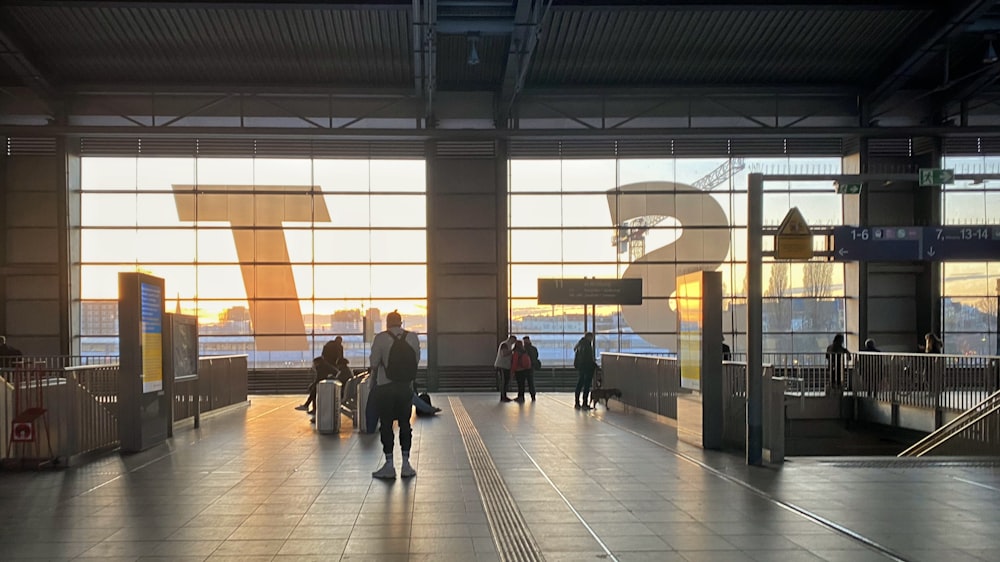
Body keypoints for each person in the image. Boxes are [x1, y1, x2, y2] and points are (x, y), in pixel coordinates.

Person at [370, 310, 420, 480]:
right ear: (400, 322)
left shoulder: (381, 338)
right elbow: (416, 361)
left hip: (385, 387)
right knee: (405, 424)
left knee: (386, 424)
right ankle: (406, 464)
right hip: (405, 387)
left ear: (387, 323)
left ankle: (389, 465)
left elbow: (374, 363)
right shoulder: (412, 337)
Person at [573, 332, 597, 410]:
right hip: (587, 368)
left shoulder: (580, 344)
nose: (592, 339)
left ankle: (577, 402)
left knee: (579, 384)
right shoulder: (587, 345)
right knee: (586, 386)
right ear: (589, 337)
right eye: (592, 337)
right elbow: (588, 358)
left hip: (581, 367)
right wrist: (594, 365)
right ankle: (584, 403)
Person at [493, 335, 516, 402]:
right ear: (511, 339)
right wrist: (512, 351)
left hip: (505, 366)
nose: (514, 342)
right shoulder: (505, 344)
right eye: (514, 341)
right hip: (502, 366)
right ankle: (503, 397)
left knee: (506, 381)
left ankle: (504, 396)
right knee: (504, 382)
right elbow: (503, 354)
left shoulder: (508, 345)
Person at [522, 336, 539, 401]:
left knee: (522, 382)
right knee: (531, 382)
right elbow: (536, 356)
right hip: (531, 367)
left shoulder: (523, 349)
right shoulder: (534, 348)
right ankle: (533, 395)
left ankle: (521, 396)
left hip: (524, 368)